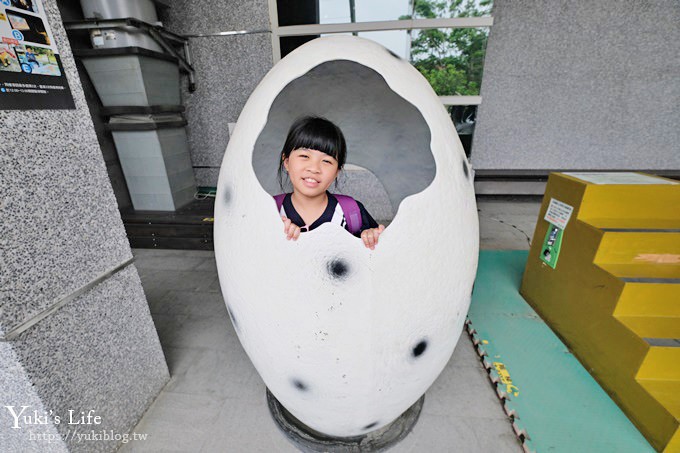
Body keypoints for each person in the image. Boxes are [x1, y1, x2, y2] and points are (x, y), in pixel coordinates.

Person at [276, 116, 385, 250]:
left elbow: (378, 258)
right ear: (286, 161)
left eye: (326, 161)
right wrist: (272, 231)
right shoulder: (269, 210)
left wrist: (372, 238)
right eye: (304, 156)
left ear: (337, 171)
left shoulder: (351, 212)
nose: (314, 168)